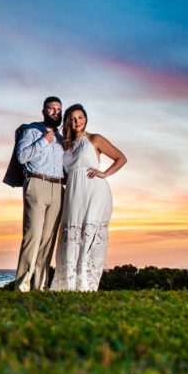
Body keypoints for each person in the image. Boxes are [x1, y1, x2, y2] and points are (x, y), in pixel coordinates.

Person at [51, 104, 127, 291]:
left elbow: (121, 158)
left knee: (88, 237)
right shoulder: (65, 145)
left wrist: (104, 173)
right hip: (73, 194)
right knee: (72, 236)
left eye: (81, 117)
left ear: (86, 119)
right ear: (68, 121)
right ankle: (69, 284)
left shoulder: (94, 139)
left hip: (94, 191)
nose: (77, 121)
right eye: (73, 118)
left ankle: (86, 285)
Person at [12, 96, 65, 292]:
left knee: (48, 239)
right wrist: (44, 140)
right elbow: (21, 157)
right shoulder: (32, 130)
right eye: (51, 109)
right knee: (32, 235)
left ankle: (40, 286)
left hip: (58, 188)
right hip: (36, 183)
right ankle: (22, 287)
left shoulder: (62, 138)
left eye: (58, 109)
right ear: (44, 111)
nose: (55, 112)